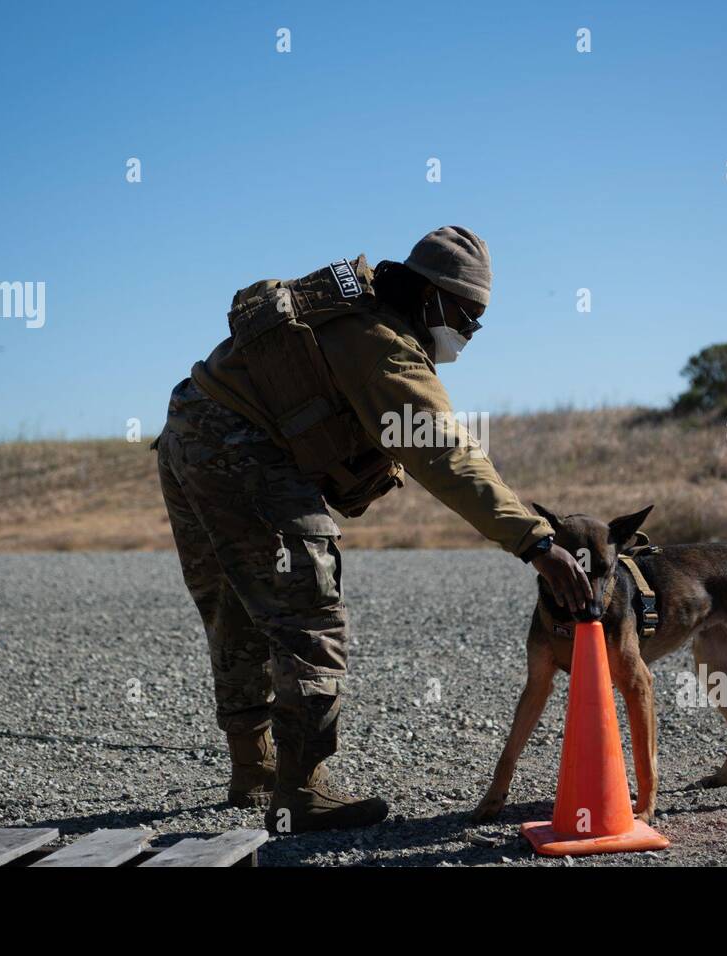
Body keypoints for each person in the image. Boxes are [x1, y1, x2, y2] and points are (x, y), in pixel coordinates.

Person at [155, 226, 592, 833]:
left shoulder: (349, 303)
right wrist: (535, 541)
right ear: (433, 295)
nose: (468, 334)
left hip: (187, 429)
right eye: (467, 316)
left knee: (238, 609)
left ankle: (255, 771)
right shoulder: (382, 345)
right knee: (308, 615)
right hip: (243, 450)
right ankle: (301, 791)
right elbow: (445, 454)